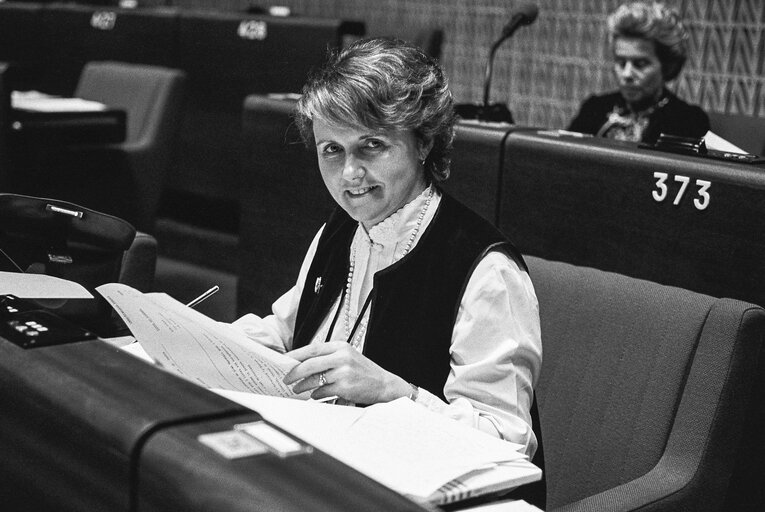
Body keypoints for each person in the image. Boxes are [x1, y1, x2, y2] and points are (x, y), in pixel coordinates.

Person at [232, 37, 542, 458]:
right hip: (343, 459)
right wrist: (197, 337)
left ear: (425, 142)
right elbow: (289, 332)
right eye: (332, 151)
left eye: (371, 145)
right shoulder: (342, 228)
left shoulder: (487, 269)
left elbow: (505, 440)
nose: (350, 174)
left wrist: (393, 392)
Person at [568, 1, 709, 143]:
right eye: (621, 63)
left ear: (667, 66)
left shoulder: (687, 120)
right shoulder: (595, 108)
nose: (627, 74)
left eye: (640, 64)